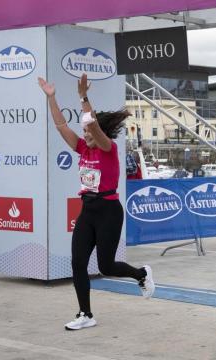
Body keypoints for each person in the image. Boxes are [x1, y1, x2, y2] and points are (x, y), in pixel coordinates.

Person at [38, 74, 155, 331]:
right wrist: (51, 98)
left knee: (106, 266)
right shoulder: (83, 148)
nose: (85, 134)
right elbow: (61, 127)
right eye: (85, 132)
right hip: (88, 210)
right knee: (77, 262)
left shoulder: (108, 148)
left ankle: (141, 274)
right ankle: (85, 313)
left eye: (89, 130)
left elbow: (92, 125)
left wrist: (83, 97)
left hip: (109, 211)